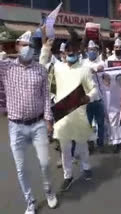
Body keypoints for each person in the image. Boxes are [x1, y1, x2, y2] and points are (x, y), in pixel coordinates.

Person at [0, 31, 58, 214]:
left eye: (31, 46)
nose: (28, 49)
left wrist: (49, 119)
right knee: (21, 168)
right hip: (16, 126)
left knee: (45, 163)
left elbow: (46, 97)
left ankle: (48, 190)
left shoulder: (40, 69)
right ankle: (30, 201)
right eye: (24, 45)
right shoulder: (5, 68)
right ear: (17, 46)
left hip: (38, 125)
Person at [40, 31, 98, 191]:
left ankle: (86, 168)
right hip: (62, 116)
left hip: (79, 115)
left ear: (78, 51)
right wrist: (46, 44)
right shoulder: (58, 68)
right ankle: (68, 176)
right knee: (65, 150)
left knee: (82, 145)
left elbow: (94, 90)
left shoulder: (85, 69)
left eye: (74, 49)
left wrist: (88, 97)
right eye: (68, 50)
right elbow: (42, 63)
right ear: (64, 52)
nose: (71, 52)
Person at [83, 40, 106, 153]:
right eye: (90, 50)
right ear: (87, 51)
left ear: (97, 51)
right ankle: (90, 143)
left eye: (94, 50)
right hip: (87, 100)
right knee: (88, 124)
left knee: (100, 123)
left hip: (98, 99)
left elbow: (100, 68)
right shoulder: (83, 63)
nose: (92, 52)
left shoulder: (100, 62)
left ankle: (101, 143)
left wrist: (93, 69)